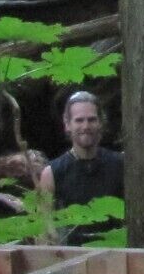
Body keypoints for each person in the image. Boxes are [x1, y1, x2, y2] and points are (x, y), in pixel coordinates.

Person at [37, 91, 123, 240]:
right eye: (79, 120)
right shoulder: (52, 173)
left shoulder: (120, 165)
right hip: (70, 257)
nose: (86, 126)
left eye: (91, 120)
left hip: (116, 255)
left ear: (100, 123)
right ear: (67, 124)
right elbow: (43, 232)